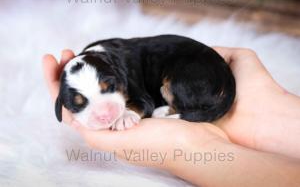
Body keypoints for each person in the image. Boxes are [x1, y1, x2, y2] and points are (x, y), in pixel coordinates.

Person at [43, 47, 300, 186]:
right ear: (62, 106)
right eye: (80, 105)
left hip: (196, 72)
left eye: (109, 90)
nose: (103, 112)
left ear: (118, 78)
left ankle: (182, 110)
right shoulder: (105, 68)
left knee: (167, 89)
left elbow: (141, 99)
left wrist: (132, 110)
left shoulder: (118, 66)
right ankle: (183, 109)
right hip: (199, 79)